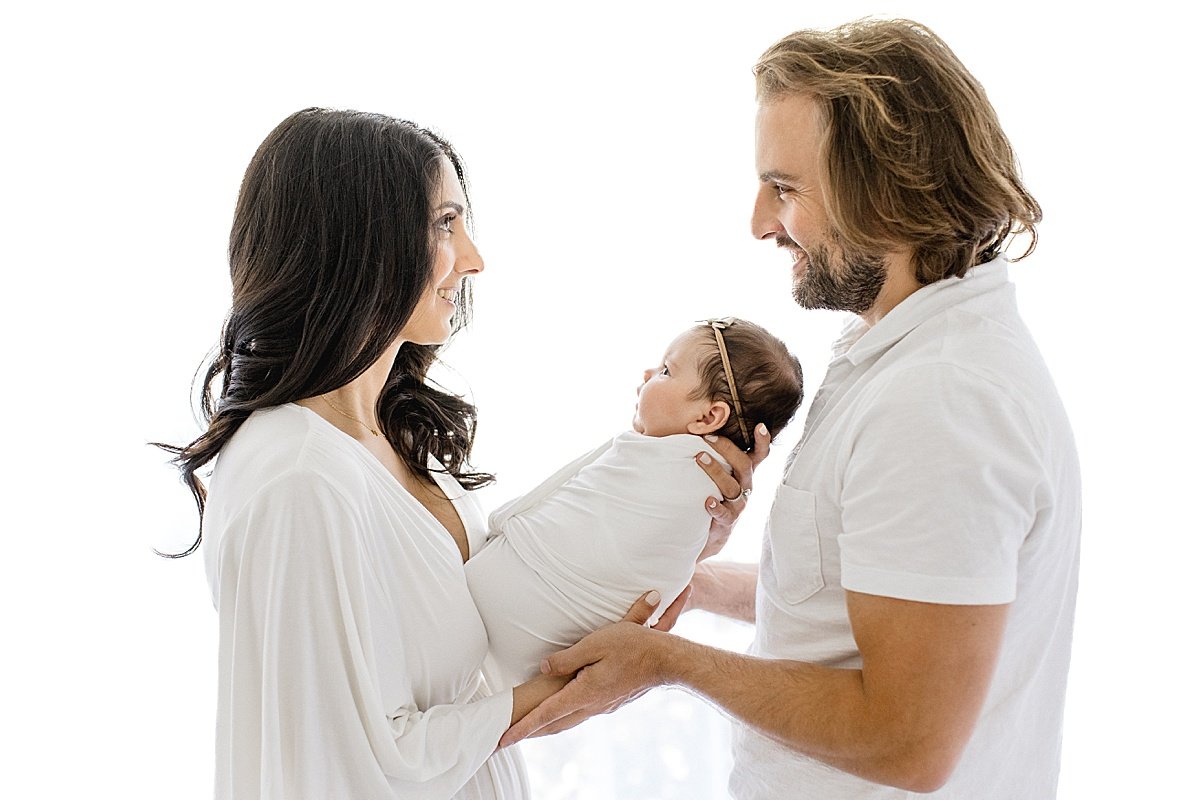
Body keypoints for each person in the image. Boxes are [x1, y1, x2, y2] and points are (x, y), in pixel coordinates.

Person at [502, 19, 1082, 800]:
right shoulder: (895, 352)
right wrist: (699, 585)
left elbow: (908, 741)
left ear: (885, 187)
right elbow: (863, 615)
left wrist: (669, 665)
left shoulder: (940, 399)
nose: (758, 222)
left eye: (785, 187)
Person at [155, 108, 759, 800]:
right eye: (445, 223)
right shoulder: (299, 477)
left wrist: (676, 535)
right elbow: (361, 759)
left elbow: (480, 639)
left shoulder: (393, 437)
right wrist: (583, 685)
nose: (473, 257)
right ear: (361, 240)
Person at [466, 318, 803, 685]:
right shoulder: (705, 487)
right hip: (529, 663)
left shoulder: (672, 471)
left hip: (494, 614)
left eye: (665, 370)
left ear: (708, 416)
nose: (648, 373)